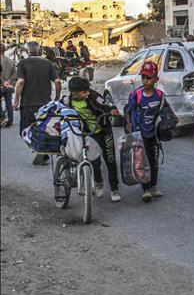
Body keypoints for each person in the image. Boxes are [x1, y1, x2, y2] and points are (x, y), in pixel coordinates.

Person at [63, 77, 122, 202]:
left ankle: (114, 189)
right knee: (93, 159)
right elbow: (59, 108)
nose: (87, 93)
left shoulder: (94, 96)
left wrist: (113, 110)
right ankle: (98, 182)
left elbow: (108, 105)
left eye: (87, 90)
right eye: (84, 92)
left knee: (110, 159)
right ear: (74, 93)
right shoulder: (68, 101)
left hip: (103, 131)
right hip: (88, 133)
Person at [125, 61, 171, 202]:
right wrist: (128, 124)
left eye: (149, 78)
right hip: (140, 134)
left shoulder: (159, 95)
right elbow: (128, 111)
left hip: (154, 134)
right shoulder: (136, 95)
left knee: (154, 161)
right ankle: (145, 189)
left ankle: (153, 186)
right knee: (143, 161)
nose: (145, 81)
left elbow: (166, 109)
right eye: (143, 77)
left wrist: (171, 120)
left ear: (156, 79)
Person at [12, 41, 61, 165]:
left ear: (28, 52)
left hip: (28, 103)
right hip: (45, 104)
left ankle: (37, 149)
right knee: (44, 128)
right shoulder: (48, 63)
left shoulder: (22, 63)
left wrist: (16, 100)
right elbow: (57, 81)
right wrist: (57, 98)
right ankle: (43, 152)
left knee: (25, 131)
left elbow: (20, 82)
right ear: (39, 51)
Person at [1, 45, 17, 127]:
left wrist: (3, 82)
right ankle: (10, 122)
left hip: (1, 86)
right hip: (9, 86)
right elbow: (14, 74)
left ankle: (3, 117)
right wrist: (9, 81)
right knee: (9, 104)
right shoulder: (11, 61)